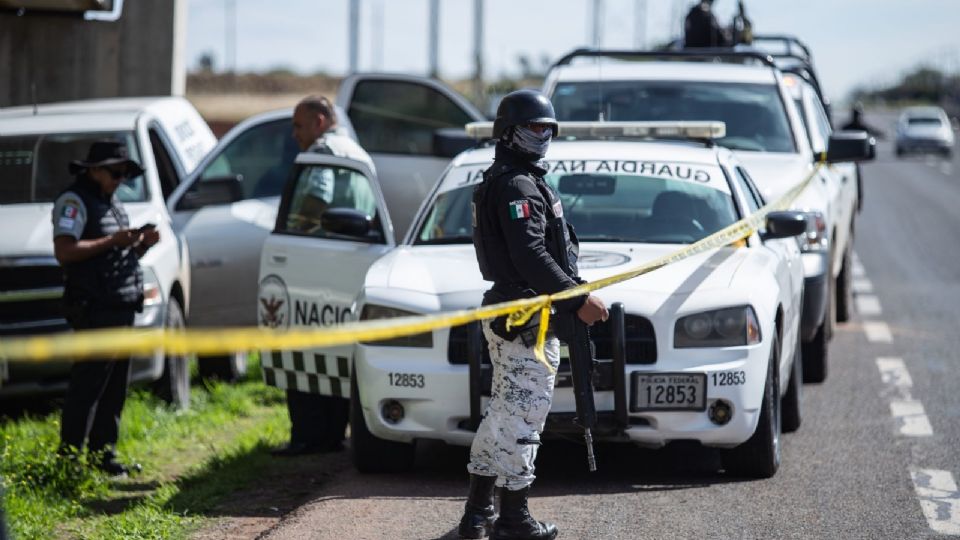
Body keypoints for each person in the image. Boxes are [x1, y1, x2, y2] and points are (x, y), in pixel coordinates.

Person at [459, 89, 608, 540]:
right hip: (527, 318)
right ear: (508, 133)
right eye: (533, 128)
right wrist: (577, 298)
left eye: (548, 129)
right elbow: (530, 255)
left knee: (503, 413)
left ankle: (478, 513)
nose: (542, 136)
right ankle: (513, 519)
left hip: (518, 313)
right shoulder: (517, 184)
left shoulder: (513, 179)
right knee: (525, 416)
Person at [270, 95, 375, 457]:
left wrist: (297, 225)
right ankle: (330, 434)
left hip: (316, 264)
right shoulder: (356, 152)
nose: (295, 135)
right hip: (349, 265)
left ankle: (308, 436)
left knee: (302, 347)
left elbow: (316, 198)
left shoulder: (323, 152)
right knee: (334, 354)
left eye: (299, 125)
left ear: (318, 120)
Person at [53, 140, 158, 476]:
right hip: (95, 309)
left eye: (124, 174)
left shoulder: (112, 203)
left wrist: (139, 246)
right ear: (94, 170)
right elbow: (65, 251)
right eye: (115, 173)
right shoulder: (74, 202)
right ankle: (69, 461)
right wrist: (114, 241)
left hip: (121, 304)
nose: (119, 180)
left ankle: (103, 455)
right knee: (87, 388)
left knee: (114, 388)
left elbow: (115, 257)